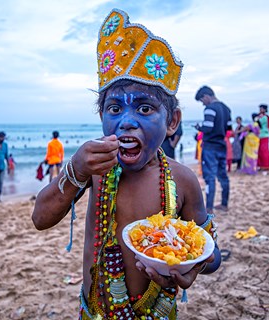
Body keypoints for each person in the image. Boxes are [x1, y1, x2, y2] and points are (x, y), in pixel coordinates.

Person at [32, 9, 220, 320]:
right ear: (101, 115)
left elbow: (210, 255)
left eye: (145, 108)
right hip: (95, 313)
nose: (126, 122)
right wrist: (76, 170)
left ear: (172, 121)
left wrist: (192, 267)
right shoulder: (93, 171)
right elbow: (40, 218)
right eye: (114, 108)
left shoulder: (183, 180)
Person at [194, 85, 232, 213]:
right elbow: (229, 129)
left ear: (206, 96)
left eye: (201, 101)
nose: (203, 104)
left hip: (210, 146)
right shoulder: (227, 109)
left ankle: (209, 208)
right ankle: (224, 204)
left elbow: (208, 127)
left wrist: (199, 127)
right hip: (221, 145)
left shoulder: (210, 108)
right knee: (223, 176)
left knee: (210, 177)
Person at [257, 104, 269, 171]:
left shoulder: (265, 117)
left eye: (262, 108)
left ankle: (266, 165)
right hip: (259, 135)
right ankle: (260, 165)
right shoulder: (260, 116)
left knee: (264, 150)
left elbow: (259, 123)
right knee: (259, 151)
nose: (260, 110)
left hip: (264, 135)